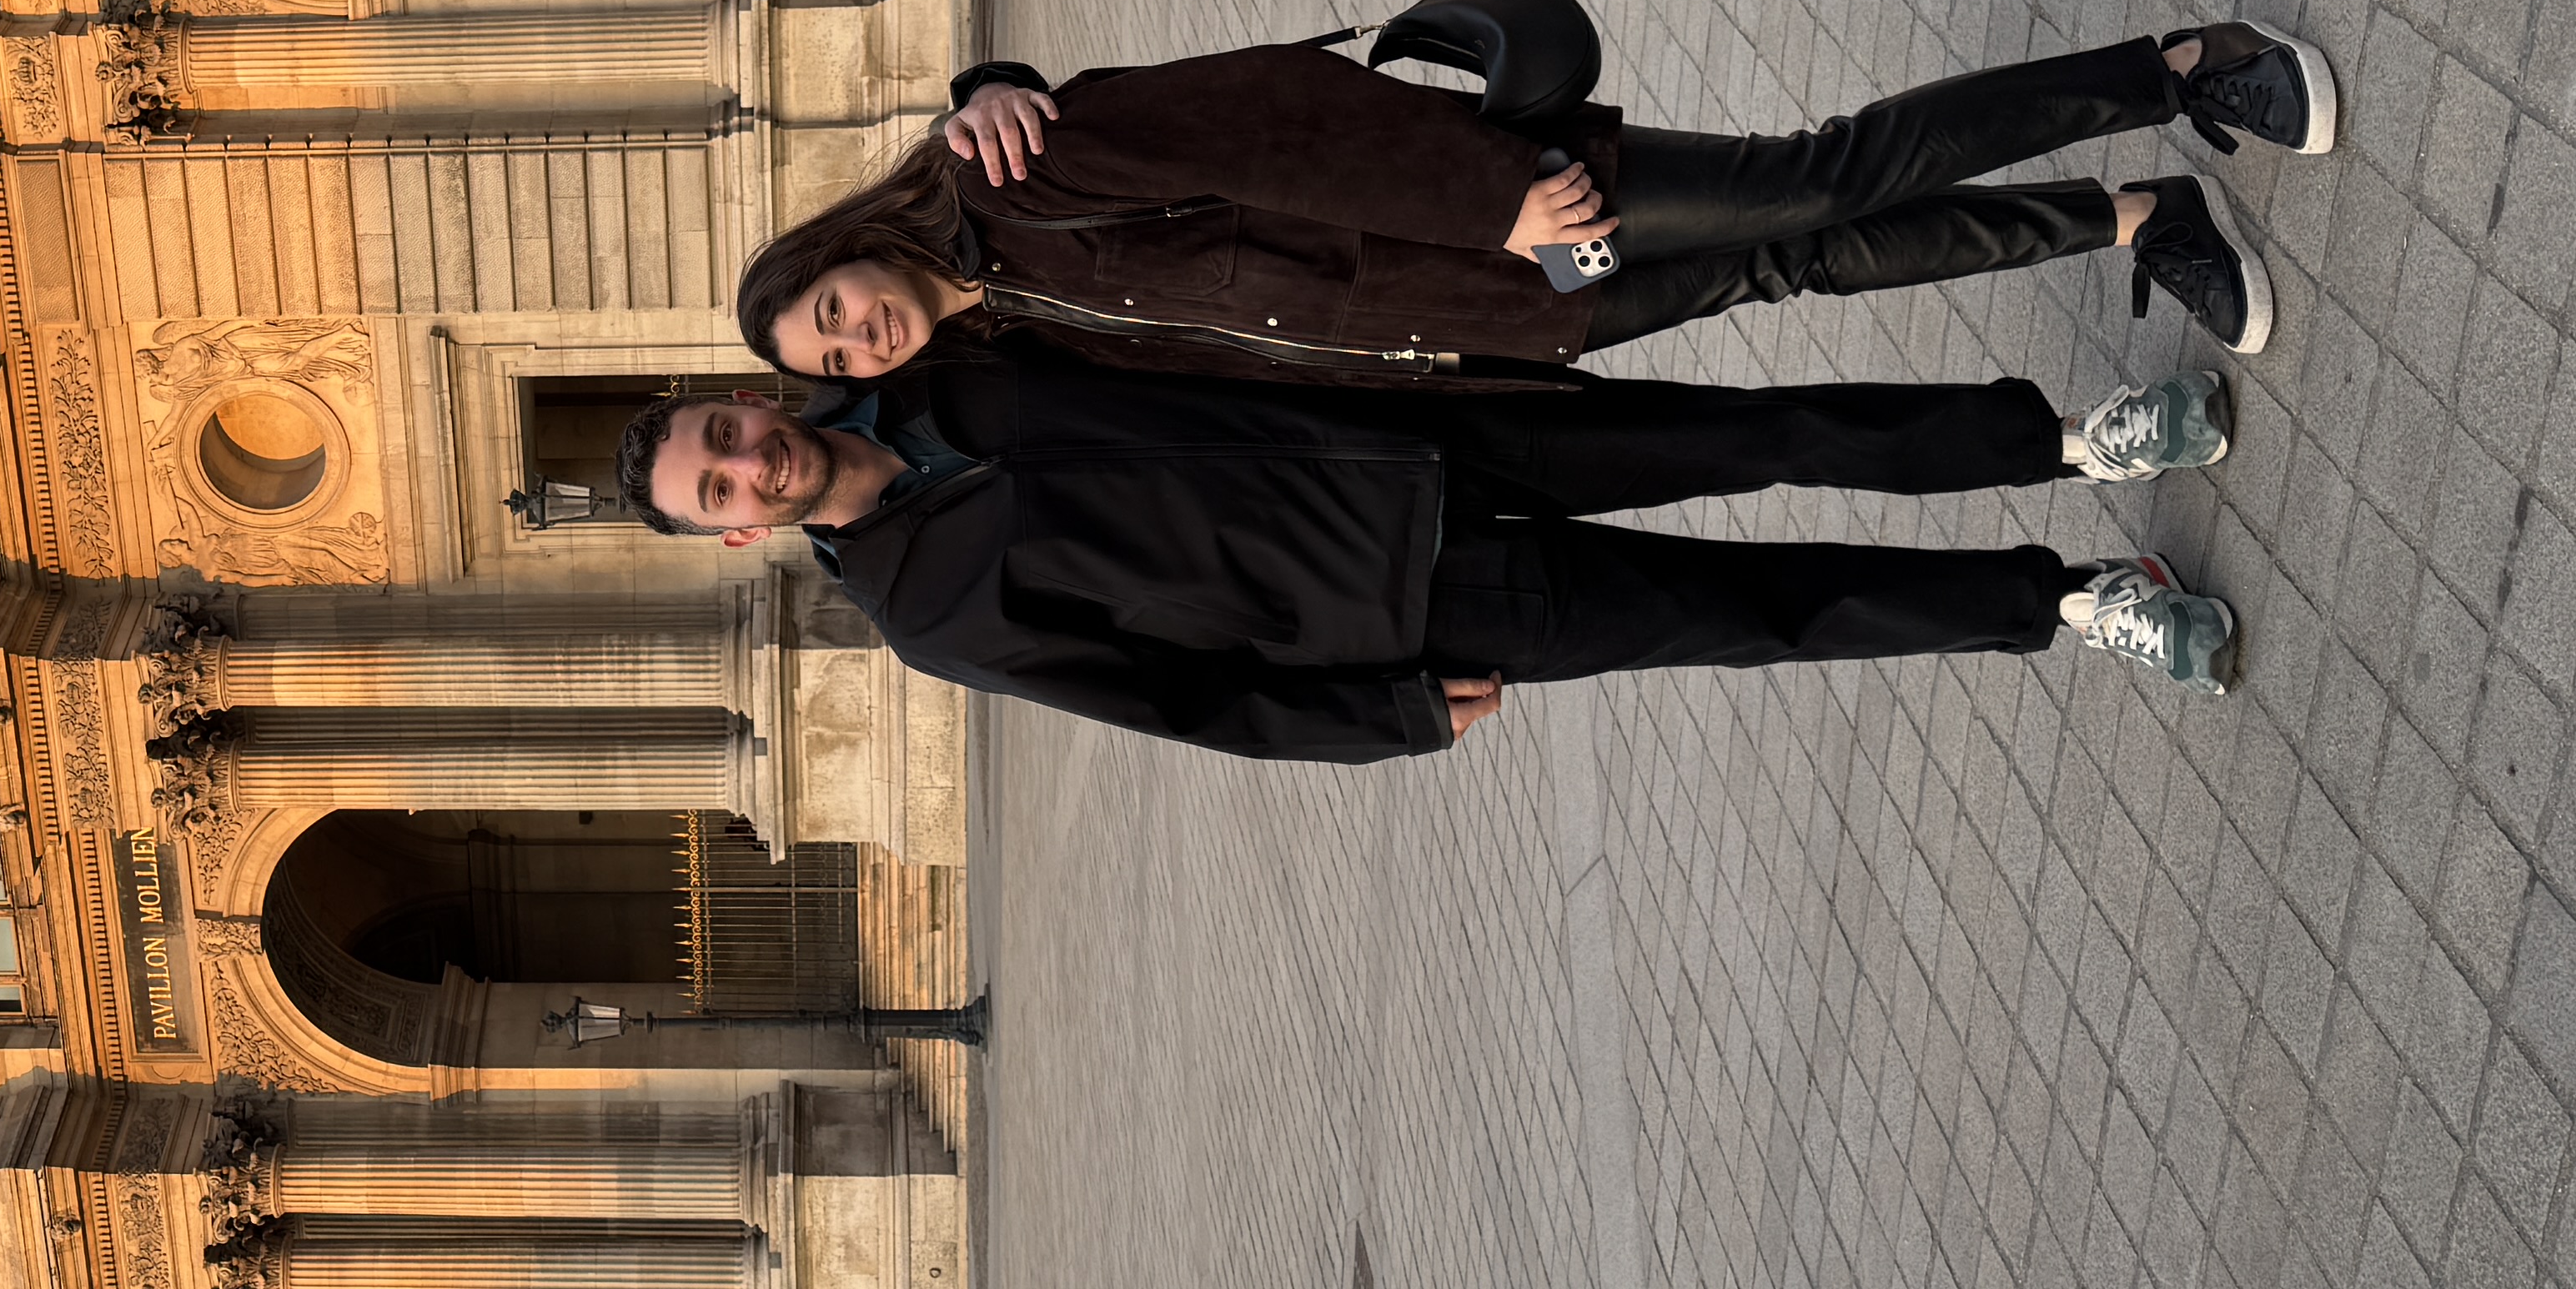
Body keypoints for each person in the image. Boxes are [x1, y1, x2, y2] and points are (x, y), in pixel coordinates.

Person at [614, 334, 2251, 764]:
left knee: (1764, 432)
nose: (746, 463)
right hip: (1407, 597)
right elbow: (1167, 698)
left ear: (747, 399)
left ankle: (2065, 440)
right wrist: (1381, 716)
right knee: (1762, 609)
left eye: (722, 432)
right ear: (739, 533)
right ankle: (2076, 600)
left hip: (1430, 434)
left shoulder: (933, 363)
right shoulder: (924, 606)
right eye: (718, 489)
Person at [734, 19, 2336, 380]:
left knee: (1816, 174)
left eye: (825, 309)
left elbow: (1275, 120)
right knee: (1805, 273)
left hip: (1502, 217)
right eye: (833, 362)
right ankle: (2131, 217)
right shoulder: (1013, 330)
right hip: (1486, 320)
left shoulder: (1007, 167)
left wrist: (1494, 193)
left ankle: (2178, 65)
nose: (854, 336)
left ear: (835, 254)